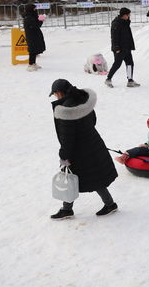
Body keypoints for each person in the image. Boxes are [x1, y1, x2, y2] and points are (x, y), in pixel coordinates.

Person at [50, 79, 118, 220]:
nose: (55, 97)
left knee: (70, 178)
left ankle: (67, 209)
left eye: (55, 94)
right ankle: (109, 204)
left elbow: (67, 138)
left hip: (79, 152)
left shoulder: (65, 111)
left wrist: (64, 156)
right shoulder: (82, 99)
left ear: (59, 93)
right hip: (93, 143)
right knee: (95, 177)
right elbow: (93, 120)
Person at [106, 8, 140, 88]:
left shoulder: (125, 22)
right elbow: (114, 37)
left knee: (130, 64)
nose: (129, 16)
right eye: (128, 15)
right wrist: (116, 48)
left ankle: (130, 80)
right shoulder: (116, 23)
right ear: (124, 15)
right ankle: (108, 79)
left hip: (127, 47)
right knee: (117, 64)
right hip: (119, 49)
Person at [23, 4, 46, 71]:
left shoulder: (31, 16)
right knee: (32, 50)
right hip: (31, 35)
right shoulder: (28, 17)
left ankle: (33, 63)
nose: (35, 10)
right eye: (34, 9)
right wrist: (41, 20)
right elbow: (36, 25)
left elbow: (36, 24)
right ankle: (30, 64)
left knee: (35, 49)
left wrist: (40, 19)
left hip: (35, 34)